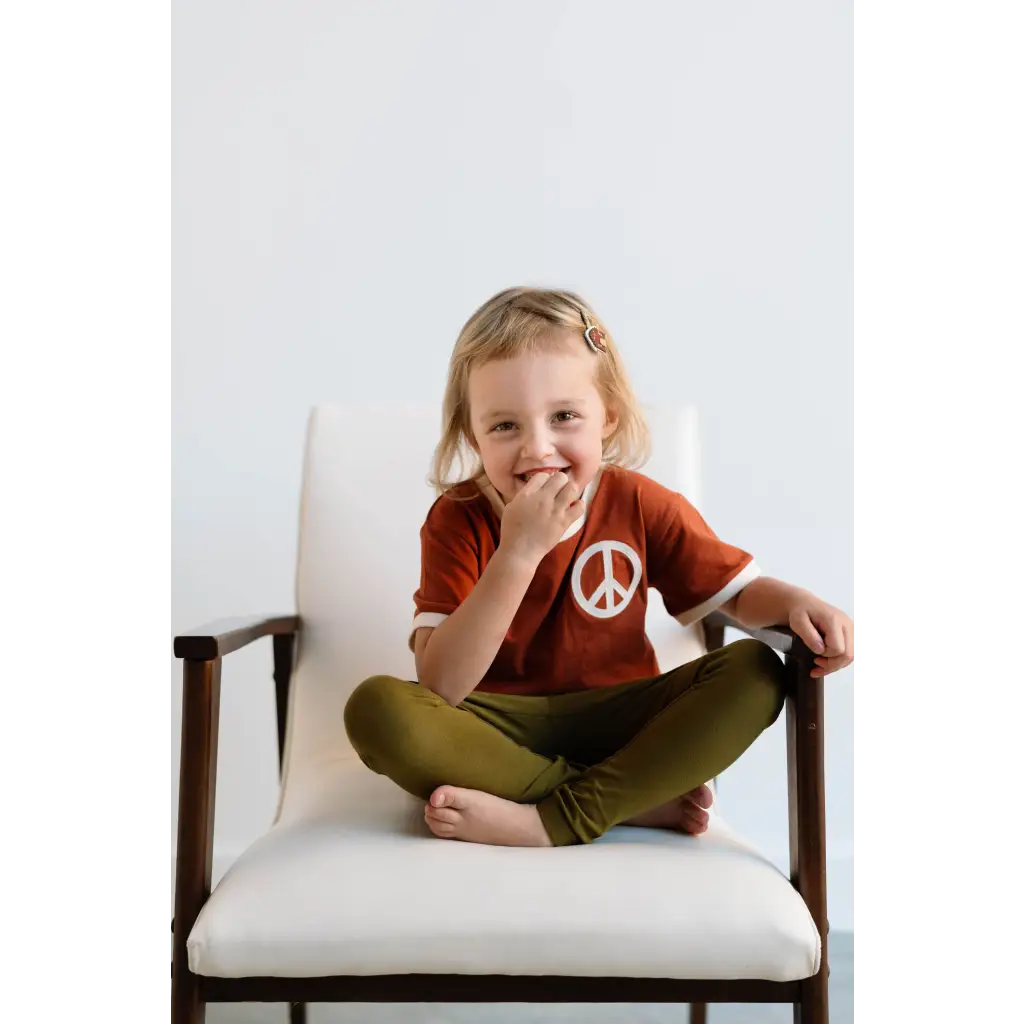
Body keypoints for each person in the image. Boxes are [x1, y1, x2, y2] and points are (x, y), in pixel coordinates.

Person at [344, 287, 855, 848]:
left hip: (621, 723)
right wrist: (518, 552)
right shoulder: (457, 518)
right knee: (377, 710)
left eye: (564, 416)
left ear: (606, 417)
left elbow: (734, 595)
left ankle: (547, 818)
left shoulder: (638, 503)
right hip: (493, 725)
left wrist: (794, 603)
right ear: (473, 435)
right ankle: (616, 803)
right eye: (504, 426)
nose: (538, 448)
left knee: (756, 670)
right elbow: (441, 685)